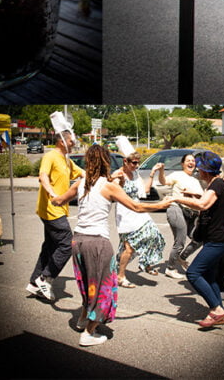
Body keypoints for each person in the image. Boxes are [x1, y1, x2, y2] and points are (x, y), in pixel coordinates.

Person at [52, 145, 172, 346]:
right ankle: (89, 333)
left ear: (89, 163)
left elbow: (59, 200)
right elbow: (136, 206)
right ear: (106, 162)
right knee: (103, 288)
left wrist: (49, 190)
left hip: (78, 241)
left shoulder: (81, 183)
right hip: (97, 243)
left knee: (88, 284)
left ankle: (83, 318)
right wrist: (161, 205)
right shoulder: (108, 186)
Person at [173, 151, 224, 328]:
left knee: (193, 273)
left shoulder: (217, 185)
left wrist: (178, 197)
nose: (198, 171)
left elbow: (203, 205)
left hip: (218, 240)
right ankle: (219, 312)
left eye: (199, 168)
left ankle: (216, 309)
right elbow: (208, 200)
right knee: (210, 276)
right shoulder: (215, 184)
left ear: (206, 170)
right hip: (215, 239)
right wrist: (194, 194)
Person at [27, 128, 83, 302]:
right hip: (51, 209)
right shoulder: (50, 156)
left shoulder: (66, 160)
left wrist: (105, 178)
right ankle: (45, 278)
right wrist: (51, 193)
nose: (74, 144)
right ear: (62, 141)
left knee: (50, 246)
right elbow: (43, 176)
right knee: (67, 244)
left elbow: (83, 173)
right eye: (72, 141)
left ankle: (34, 283)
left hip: (58, 209)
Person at [110, 151, 166, 287]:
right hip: (125, 213)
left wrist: (153, 173)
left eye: (137, 162)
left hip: (138, 211)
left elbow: (145, 190)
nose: (137, 165)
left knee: (154, 235)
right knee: (129, 247)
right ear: (125, 161)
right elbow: (112, 192)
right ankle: (120, 276)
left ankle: (146, 263)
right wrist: (117, 181)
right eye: (134, 163)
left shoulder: (135, 174)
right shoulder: (118, 174)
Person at [154, 152, 203, 279]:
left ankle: (182, 257)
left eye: (193, 161)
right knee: (180, 241)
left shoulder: (195, 181)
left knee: (199, 238)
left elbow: (201, 198)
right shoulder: (178, 175)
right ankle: (170, 268)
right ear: (182, 164)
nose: (191, 163)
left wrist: (193, 194)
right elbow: (163, 181)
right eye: (188, 161)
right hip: (176, 208)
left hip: (192, 213)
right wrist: (161, 171)